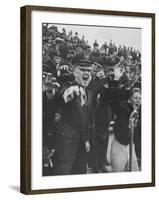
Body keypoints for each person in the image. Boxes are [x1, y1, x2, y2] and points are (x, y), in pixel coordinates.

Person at [53, 55, 94, 175]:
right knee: (62, 174)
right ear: (75, 71)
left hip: (82, 142)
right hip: (66, 143)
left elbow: (86, 118)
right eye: (82, 70)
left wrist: (86, 139)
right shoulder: (68, 85)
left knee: (80, 173)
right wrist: (69, 92)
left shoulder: (89, 90)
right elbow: (62, 95)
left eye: (88, 71)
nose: (86, 73)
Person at [108, 87, 141, 172]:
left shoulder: (140, 113)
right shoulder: (122, 110)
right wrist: (118, 83)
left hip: (131, 146)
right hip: (119, 146)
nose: (138, 100)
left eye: (140, 98)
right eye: (136, 98)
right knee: (117, 174)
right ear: (129, 100)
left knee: (135, 173)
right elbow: (115, 101)